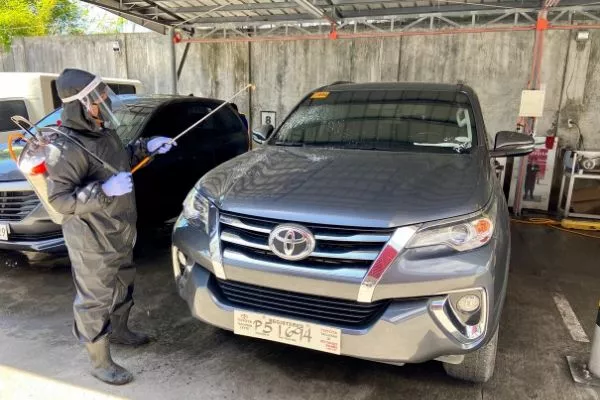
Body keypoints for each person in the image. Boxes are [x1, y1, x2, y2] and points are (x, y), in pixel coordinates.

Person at [45, 69, 175, 385]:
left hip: (119, 228)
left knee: (123, 281)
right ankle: (99, 361)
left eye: (104, 97)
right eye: (97, 100)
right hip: (91, 238)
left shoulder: (103, 132)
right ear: (77, 105)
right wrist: (103, 191)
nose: (104, 105)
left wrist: (146, 147)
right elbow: (60, 200)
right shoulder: (65, 148)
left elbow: (119, 160)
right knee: (94, 299)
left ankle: (120, 330)